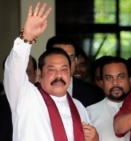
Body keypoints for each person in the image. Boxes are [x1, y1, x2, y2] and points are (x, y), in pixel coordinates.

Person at [3, 2, 98, 141]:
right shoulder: (25, 96)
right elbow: (13, 70)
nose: (59, 75)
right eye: (51, 70)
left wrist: (95, 138)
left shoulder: (78, 107)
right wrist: (27, 37)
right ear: (39, 74)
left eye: (64, 69)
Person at [46, 35, 104, 107]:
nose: (67, 62)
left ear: (76, 61)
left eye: (71, 57)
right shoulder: (34, 92)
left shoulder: (92, 93)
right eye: (61, 56)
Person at [87, 56, 131, 141]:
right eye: (109, 78)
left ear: (130, 80)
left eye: (121, 77)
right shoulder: (89, 113)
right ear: (101, 82)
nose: (115, 83)